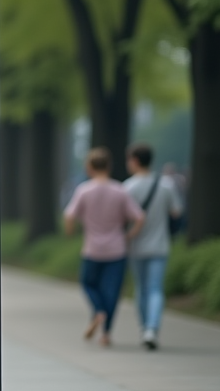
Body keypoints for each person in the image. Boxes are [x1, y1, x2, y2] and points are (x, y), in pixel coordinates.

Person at [64, 146, 144, 347]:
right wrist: (129, 235)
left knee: (88, 283)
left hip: (92, 248)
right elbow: (139, 217)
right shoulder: (120, 190)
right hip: (117, 249)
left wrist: (71, 233)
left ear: (89, 167)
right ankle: (106, 333)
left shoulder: (84, 190)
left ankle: (98, 310)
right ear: (109, 166)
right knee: (112, 291)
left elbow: (69, 215)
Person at [124, 144, 184, 350]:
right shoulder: (166, 184)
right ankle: (152, 328)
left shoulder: (128, 187)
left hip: (135, 245)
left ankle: (144, 328)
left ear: (134, 160)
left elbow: (123, 217)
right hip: (160, 245)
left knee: (141, 289)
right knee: (156, 289)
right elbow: (176, 212)